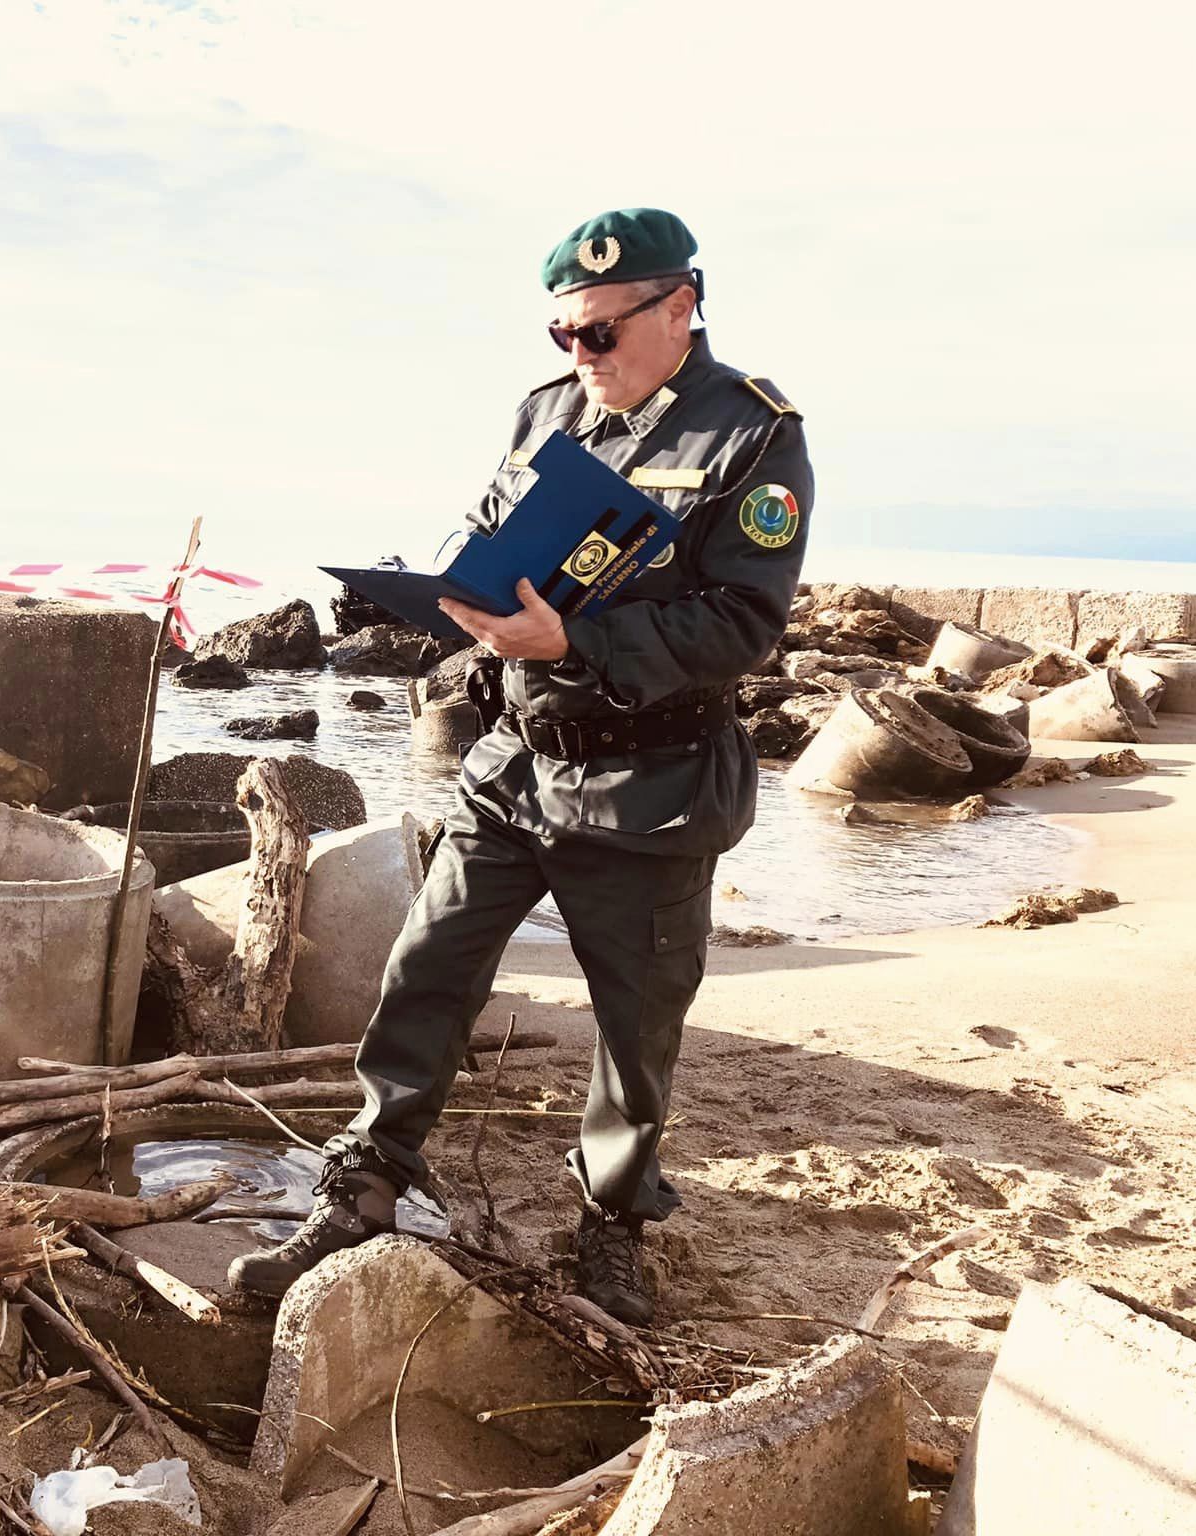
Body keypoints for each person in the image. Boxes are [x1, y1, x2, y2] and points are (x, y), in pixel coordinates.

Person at [228, 207, 814, 1324]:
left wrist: (576, 641)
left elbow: (743, 621)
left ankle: (611, 1224)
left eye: (598, 332)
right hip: (512, 760)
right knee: (424, 969)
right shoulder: (547, 413)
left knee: (633, 1028)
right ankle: (364, 1185)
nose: (579, 357)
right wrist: (433, 594)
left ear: (678, 306)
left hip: (650, 780)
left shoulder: (751, 435)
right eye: (563, 336)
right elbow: (490, 541)